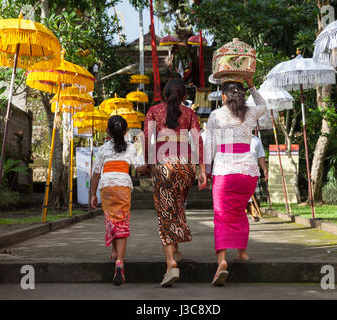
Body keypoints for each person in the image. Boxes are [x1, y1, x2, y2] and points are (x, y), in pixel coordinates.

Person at [141, 79, 207, 287]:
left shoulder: (153, 110)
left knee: (165, 211)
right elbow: (198, 141)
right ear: (183, 95)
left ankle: (171, 263)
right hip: (186, 167)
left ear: (165, 93)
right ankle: (176, 248)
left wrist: (149, 164)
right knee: (176, 204)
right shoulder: (190, 114)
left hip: (164, 164)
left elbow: (146, 138)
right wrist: (203, 169)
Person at [204, 77, 267, 286]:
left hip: (224, 171)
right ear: (242, 95)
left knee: (221, 216)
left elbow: (209, 148)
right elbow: (263, 105)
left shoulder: (215, 115)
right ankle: (242, 252)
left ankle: (222, 261)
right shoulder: (250, 113)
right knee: (240, 210)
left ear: (223, 96)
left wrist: (204, 171)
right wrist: (251, 85)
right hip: (248, 172)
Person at [90, 115, 144, 286]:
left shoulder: (102, 149)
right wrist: (150, 168)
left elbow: (96, 173)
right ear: (126, 130)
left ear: (107, 131)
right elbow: (140, 168)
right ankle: (119, 260)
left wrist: (92, 194)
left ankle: (114, 252)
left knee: (112, 221)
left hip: (106, 186)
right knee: (122, 222)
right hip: (123, 186)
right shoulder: (130, 148)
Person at [247, 133, 268, 221]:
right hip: (238, 172)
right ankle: (249, 212)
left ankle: (254, 212)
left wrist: (265, 170)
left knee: (256, 195)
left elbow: (260, 157)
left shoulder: (256, 140)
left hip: (253, 171)